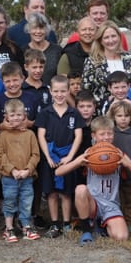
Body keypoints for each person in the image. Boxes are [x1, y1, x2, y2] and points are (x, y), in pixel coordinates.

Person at [55, 116, 131, 244]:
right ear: (94, 136)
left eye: (109, 133)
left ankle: (101, 226)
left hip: (111, 205)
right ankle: (87, 230)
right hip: (93, 203)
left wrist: (129, 164)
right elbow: (58, 172)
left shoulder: (118, 154)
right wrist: (77, 162)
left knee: (121, 237)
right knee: (80, 189)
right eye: (102, 134)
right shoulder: (89, 153)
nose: (106, 137)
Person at [36, 75, 85, 237]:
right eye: (56, 91)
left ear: (68, 91)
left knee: (66, 192)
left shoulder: (74, 113)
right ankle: (55, 224)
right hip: (50, 157)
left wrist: (70, 157)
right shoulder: (45, 113)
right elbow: (41, 135)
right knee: (51, 193)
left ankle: (66, 223)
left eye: (63, 91)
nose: (59, 94)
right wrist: (48, 157)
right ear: (50, 91)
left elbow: (78, 136)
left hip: (66, 157)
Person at [0, 99, 41, 242]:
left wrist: (28, 169)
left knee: (26, 201)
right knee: (9, 201)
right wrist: (12, 170)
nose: (15, 118)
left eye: (19, 115)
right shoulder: (3, 135)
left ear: (24, 116)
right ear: (6, 117)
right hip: (9, 177)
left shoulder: (30, 135)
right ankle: (9, 228)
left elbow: (35, 154)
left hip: (27, 176)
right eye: (12, 115)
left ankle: (26, 226)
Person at [106, 100, 131, 227]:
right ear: (113, 117)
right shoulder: (111, 133)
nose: (123, 119)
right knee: (117, 200)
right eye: (119, 116)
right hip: (114, 175)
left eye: (126, 116)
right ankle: (118, 224)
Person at [82, 21, 131, 110]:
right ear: (100, 40)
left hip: (130, 111)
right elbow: (86, 90)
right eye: (106, 37)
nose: (111, 40)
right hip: (103, 113)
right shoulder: (92, 62)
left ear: (119, 37)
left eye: (113, 36)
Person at [26, 12, 63, 86]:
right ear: (29, 29)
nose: (38, 31)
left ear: (46, 30)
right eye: (34, 28)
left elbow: (61, 77)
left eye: (41, 28)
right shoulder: (23, 51)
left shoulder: (57, 50)